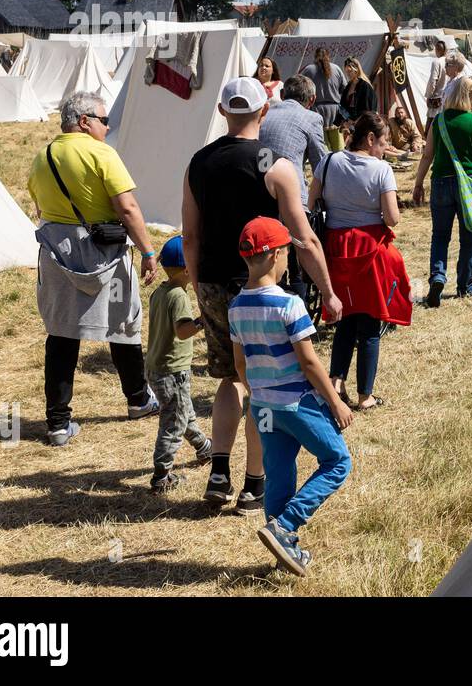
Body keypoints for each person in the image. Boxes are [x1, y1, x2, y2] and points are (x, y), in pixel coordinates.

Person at [182, 76, 342, 516]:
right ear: (264, 112)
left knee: (229, 378)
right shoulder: (276, 163)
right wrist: (328, 291)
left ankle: (219, 469)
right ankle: (254, 483)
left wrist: (199, 289)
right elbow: (304, 238)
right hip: (262, 284)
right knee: (265, 387)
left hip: (214, 282)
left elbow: (190, 236)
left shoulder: (198, 162)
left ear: (221, 112)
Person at [28, 91, 160, 447]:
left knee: (61, 334)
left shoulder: (43, 156)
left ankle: (57, 422)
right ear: (84, 121)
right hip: (103, 253)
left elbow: (40, 206)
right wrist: (149, 251)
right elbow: (128, 207)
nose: (108, 126)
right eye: (104, 120)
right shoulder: (101, 153)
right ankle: (138, 399)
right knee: (123, 325)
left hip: (57, 255)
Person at [230, 216, 353, 578]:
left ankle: (284, 550)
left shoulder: (236, 306)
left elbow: (240, 363)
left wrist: (257, 393)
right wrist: (335, 401)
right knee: (337, 462)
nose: (288, 261)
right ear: (273, 256)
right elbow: (309, 361)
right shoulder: (289, 304)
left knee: (279, 474)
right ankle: (286, 526)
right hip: (297, 401)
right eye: (286, 253)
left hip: (264, 405)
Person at [310, 113, 412, 411]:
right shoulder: (381, 170)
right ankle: (365, 396)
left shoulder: (328, 162)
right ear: (370, 139)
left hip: (336, 247)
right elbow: (392, 218)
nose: (385, 149)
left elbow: (312, 201)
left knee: (344, 316)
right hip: (369, 249)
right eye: (383, 143)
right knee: (369, 322)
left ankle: (335, 381)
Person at [410, 77, 472, 307]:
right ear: (467, 95)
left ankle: (437, 277)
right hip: (469, 185)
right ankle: (465, 285)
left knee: (440, 236)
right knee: (469, 236)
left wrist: (418, 184)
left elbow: (427, 155)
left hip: (441, 183)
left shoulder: (439, 121)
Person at [145, 235, 211, 493]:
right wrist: (202, 321)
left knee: (183, 413)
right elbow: (182, 332)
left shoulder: (159, 293)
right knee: (174, 422)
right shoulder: (179, 297)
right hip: (173, 371)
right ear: (187, 269)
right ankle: (162, 476)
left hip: (156, 366)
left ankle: (204, 448)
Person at [257, 74, 327, 300]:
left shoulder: (265, 114)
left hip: (259, 188)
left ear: (283, 94)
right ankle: (300, 298)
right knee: (300, 246)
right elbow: (321, 164)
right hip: (290, 190)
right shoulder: (311, 118)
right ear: (312, 99)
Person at [301, 47, 348, 152]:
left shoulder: (309, 70)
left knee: (323, 146)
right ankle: (339, 166)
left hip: (316, 111)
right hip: (335, 112)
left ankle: (326, 166)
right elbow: (345, 89)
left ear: (315, 56)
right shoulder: (336, 69)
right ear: (328, 56)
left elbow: (300, 87)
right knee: (339, 147)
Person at [340, 57, 377, 126]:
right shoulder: (347, 87)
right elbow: (342, 106)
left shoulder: (365, 86)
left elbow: (368, 108)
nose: (348, 74)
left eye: (350, 71)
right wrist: (347, 120)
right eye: (346, 72)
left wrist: (358, 121)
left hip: (364, 123)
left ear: (356, 70)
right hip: (350, 124)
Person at [423, 40, 449, 129]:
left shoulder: (437, 62)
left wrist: (429, 96)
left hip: (436, 99)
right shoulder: (449, 61)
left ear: (438, 50)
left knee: (431, 128)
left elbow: (433, 81)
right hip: (447, 98)